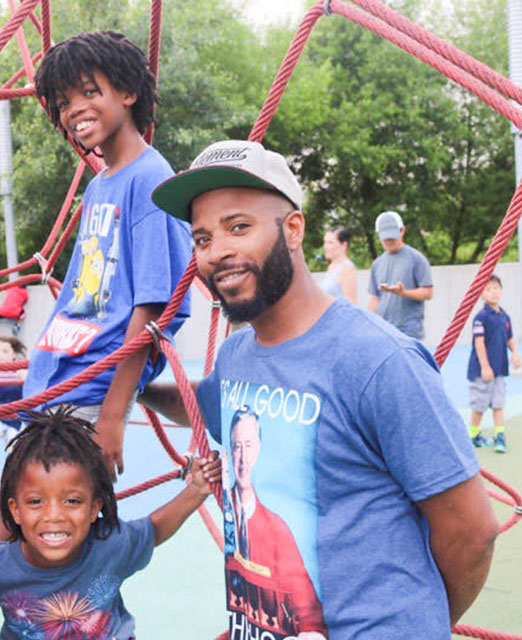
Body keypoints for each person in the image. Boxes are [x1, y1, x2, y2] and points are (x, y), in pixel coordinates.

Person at [142, 139, 499, 638]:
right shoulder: (237, 355)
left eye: (238, 227)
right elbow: (205, 405)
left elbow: (472, 532)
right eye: (202, 239)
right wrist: (132, 386)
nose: (217, 252)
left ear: (292, 230)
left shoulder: (377, 360)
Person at [23, 30, 192, 480]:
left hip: (94, 386)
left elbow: (155, 306)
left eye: (89, 92)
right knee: (14, 508)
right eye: (63, 101)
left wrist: (114, 415)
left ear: (129, 92)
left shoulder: (150, 178)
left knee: (52, 523)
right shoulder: (100, 184)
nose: (74, 108)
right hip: (57, 375)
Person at [0, 407, 220, 639]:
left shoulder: (109, 545)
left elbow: (154, 528)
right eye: (36, 502)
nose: (54, 516)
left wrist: (195, 491)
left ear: (95, 507)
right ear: (15, 511)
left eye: (72, 501)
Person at [221, 407, 326, 637]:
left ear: (258, 449)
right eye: (237, 446)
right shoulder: (228, 510)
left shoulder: (277, 531)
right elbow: (200, 405)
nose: (242, 458)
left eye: (248, 445)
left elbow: (311, 620)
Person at [467, 275, 521, 453]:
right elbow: (479, 343)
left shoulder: (504, 316)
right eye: (488, 289)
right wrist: (484, 367)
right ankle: (473, 435)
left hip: (499, 370)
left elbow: (510, 338)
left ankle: (500, 436)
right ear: (481, 294)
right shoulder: (481, 317)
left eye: (496, 288)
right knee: (479, 406)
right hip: (482, 371)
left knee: (498, 404)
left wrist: (516, 354)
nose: (494, 292)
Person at [366, 210, 434, 340]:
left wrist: (403, 293)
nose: (389, 242)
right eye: (385, 238)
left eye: (392, 237)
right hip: (383, 331)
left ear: (402, 231)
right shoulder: (377, 264)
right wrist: (370, 324)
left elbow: (428, 292)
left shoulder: (416, 259)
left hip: (408, 332)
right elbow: (374, 298)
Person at [0, 335, 27, 439]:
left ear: (13, 354)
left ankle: (10, 440)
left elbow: (29, 389)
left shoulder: (19, 370)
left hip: (15, 410)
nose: (1, 355)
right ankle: (4, 435)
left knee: (14, 441)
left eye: (5, 351)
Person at [319, 225, 356, 304]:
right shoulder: (331, 266)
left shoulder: (346, 268)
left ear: (344, 245)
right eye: (325, 242)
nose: (325, 247)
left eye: (330, 243)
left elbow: (351, 304)